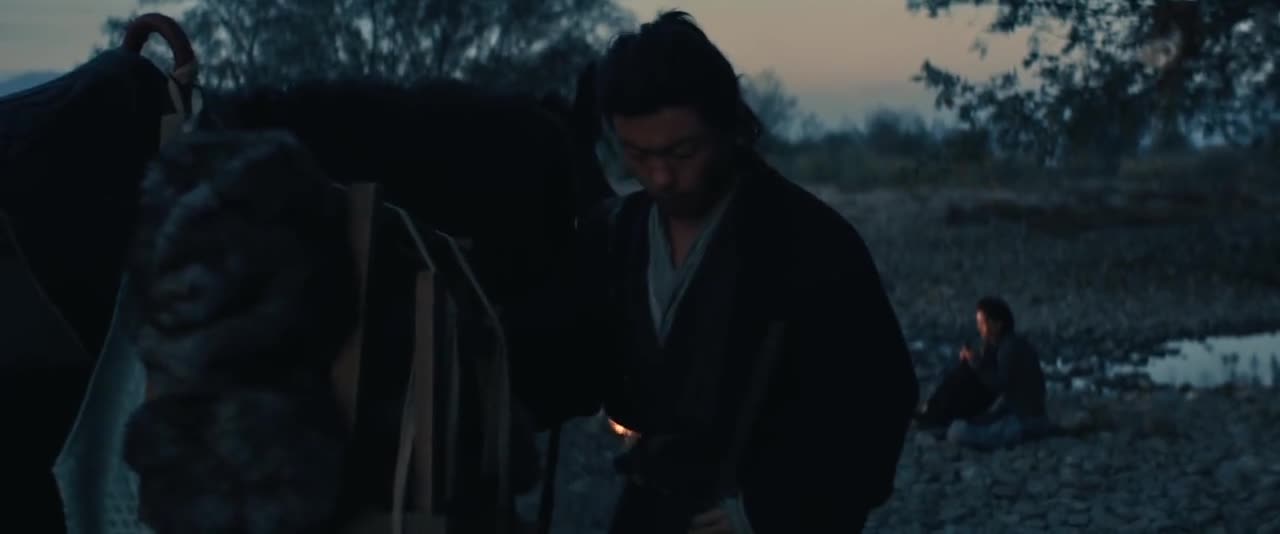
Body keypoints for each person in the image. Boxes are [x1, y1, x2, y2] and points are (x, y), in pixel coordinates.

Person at [509, 10, 919, 534]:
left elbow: (876, 404)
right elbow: (569, 361)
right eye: (637, 154)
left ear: (727, 126)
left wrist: (770, 511)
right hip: (650, 504)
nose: (660, 175)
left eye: (683, 152)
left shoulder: (811, 243)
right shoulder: (616, 235)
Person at [916, 296, 1053, 450]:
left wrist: (976, 363)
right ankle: (936, 416)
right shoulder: (999, 345)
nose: (979, 327)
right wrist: (974, 360)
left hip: (1024, 421)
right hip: (1014, 414)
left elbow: (998, 385)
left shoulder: (1010, 348)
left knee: (957, 433)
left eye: (982, 323)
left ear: (998, 324)